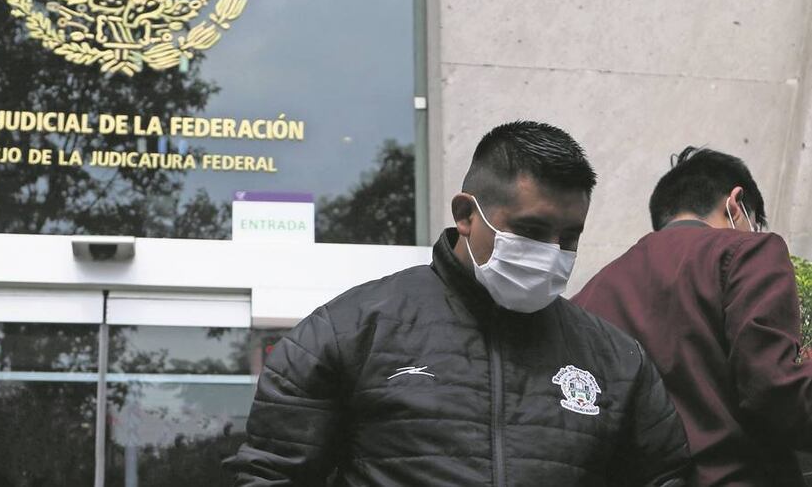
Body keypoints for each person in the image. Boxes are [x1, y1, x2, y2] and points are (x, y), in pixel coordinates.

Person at [228, 121, 689, 486]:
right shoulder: (351, 331)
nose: (552, 250)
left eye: (569, 237)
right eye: (530, 231)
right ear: (466, 215)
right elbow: (272, 474)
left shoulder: (614, 359)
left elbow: (665, 477)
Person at [573, 146, 812, 486]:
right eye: (755, 222)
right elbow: (774, 388)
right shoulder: (749, 252)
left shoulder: (589, 295)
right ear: (736, 203)